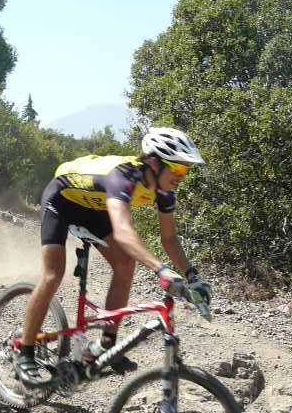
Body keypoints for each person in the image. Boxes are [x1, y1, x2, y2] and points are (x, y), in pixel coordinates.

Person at [16, 127, 212, 386]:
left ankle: (106, 344)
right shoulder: (123, 178)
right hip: (62, 201)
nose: (182, 177)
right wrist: (160, 269)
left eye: (185, 170)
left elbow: (169, 238)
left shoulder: (165, 189)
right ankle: (25, 352)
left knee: (125, 263)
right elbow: (122, 231)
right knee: (53, 275)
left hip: (95, 207)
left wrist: (192, 276)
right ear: (154, 163)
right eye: (177, 168)